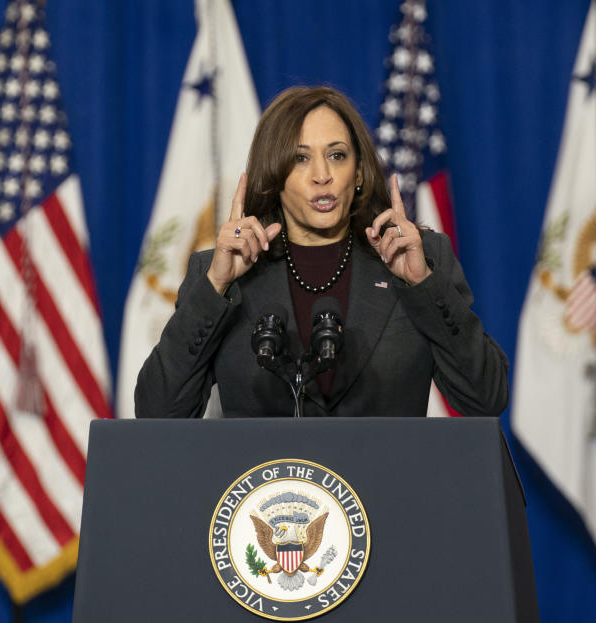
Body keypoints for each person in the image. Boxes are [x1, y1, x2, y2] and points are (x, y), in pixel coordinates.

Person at [134, 86, 507, 418]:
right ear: (274, 174)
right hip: (269, 494)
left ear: (359, 174)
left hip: (391, 492)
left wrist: (423, 284)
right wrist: (215, 286)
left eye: (337, 155)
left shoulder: (421, 259)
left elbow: (486, 398)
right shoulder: (221, 273)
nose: (321, 175)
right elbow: (157, 412)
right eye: (300, 158)